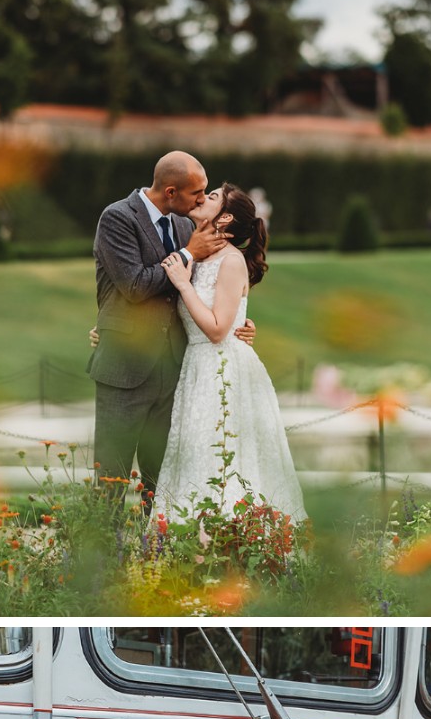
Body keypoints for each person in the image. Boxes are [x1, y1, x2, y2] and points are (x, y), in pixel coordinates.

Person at [89, 150, 251, 505]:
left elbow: (209, 286)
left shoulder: (183, 225)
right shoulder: (117, 218)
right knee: (111, 479)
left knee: (161, 481)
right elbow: (133, 285)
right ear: (172, 192)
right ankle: (102, 558)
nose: (201, 199)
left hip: (175, 371)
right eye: (197, 192)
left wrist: (239, 322)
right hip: (124, 369)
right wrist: (189, 254)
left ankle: (155, 555)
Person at [154, 183, 305, 523]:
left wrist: (181, 283)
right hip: (197, 366)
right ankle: (187, 545)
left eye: (212, 197)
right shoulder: (196, 253)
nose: (202, 197)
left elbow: (220, 329)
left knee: (222, 457)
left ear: (224, 219)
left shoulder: (232, 261)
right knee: (194, 456)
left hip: (222, 371)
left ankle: (228, 544)